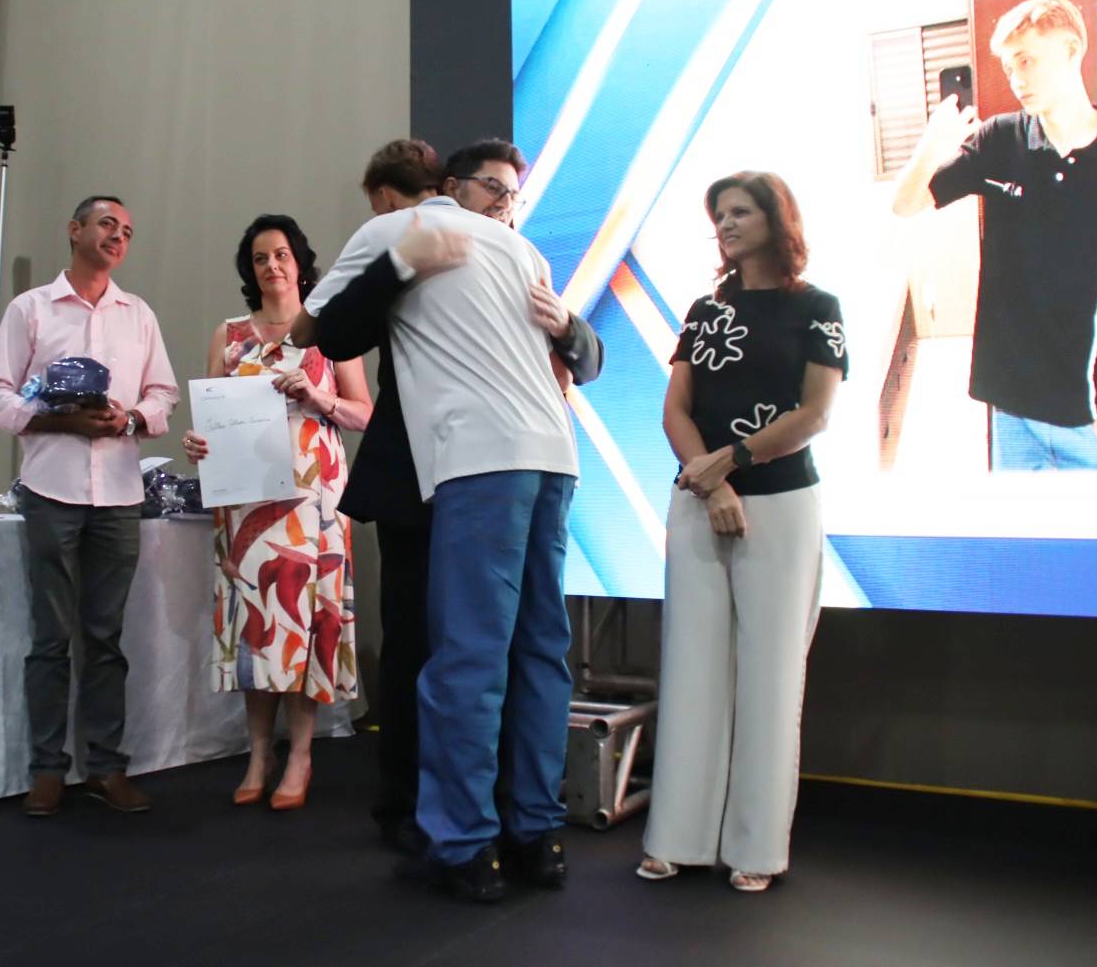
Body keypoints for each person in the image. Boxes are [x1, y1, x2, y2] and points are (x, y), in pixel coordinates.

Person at [298, 139, 581, 903]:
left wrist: (398, 262)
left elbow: (311, 332)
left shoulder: (397, 231)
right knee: (538, 653)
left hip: (480, 460)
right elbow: (563, 355)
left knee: (467, 659)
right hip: (554, 455)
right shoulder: (522, 250)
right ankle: (537, 837)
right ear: (457, 185)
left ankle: (465, 846)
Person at [636, 171, 846, 893]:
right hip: (700, 500)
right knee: (690, 669)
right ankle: (675, 839)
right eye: (718, 213)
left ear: (775, 219)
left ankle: (757, 849)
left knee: (771, 676)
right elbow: (676, 408)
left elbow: (815, 413)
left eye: (740, 211)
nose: (725, 223)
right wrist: (712, 481)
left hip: (781, 505)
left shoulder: (817, 308)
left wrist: (735, 461)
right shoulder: (706, 311)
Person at [891, 0, 1097, 469]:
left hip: (1095, 417)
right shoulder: (999, 140)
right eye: (1008, 67)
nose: (1016, 78)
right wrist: (931, 145)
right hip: (1011, 414)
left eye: (1026, 61)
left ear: (1071, 50)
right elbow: (905, 204)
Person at [0, 195, 179, 817]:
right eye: (107, 224)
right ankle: (46, 770)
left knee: (105, 638)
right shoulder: (31, 308)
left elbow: (163, 394)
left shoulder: (137, 314)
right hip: (51, 491)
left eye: (128, 230)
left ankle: (106, 767)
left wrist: (131, 419)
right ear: (75, 230)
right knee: (50, 638)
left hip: (118, 494)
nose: (119, 236)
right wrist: (58, 420)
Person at [181, 214, 372, 811]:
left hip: (314, 501)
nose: (272, 266)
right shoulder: (230, 333)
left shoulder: (330, 331)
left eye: (282, 255)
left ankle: (301, 755)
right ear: (251, 268)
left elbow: (366, 414)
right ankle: (258, 753)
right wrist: (198, 443)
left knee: (303, 620)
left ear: (300, 263)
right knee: (258, 624)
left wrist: (318, 397)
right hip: (247, 501)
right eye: (261, 257)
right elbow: (212, 413)